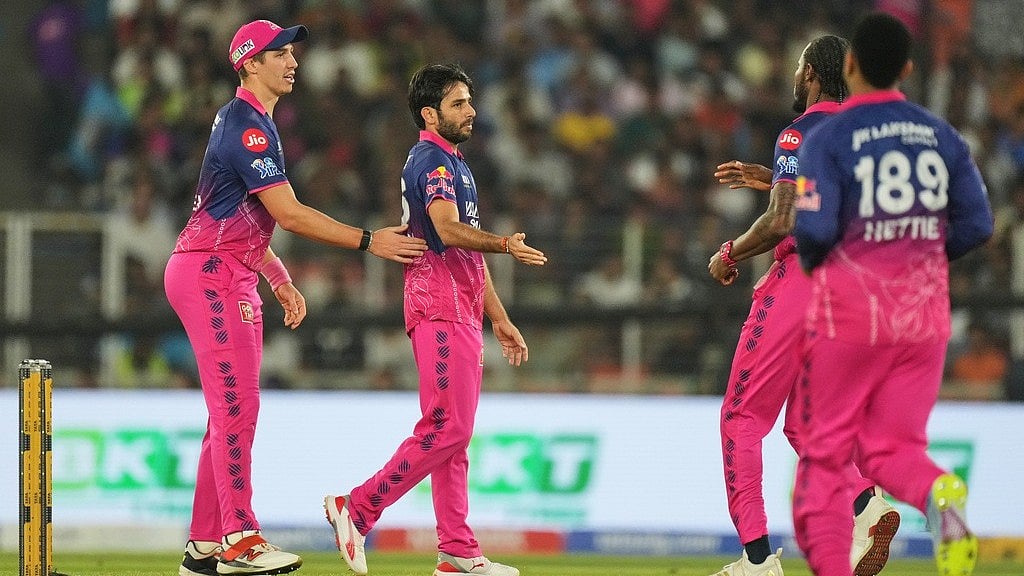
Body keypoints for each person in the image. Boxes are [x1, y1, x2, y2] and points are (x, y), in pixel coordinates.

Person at [164, 20, 427, 576]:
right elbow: (286, 213)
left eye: (292, 53)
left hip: (225, 268)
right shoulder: (248, 127)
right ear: (249, 62)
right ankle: (239, 539)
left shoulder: (253, 122)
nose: (293, 61)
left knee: (225, 415)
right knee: (237, 408)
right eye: (279, 53)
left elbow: (238, 216)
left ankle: (204, 545)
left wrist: (277, 275)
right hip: (212, 273)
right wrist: (366, 239)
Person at [324, 63, 547, 576]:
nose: (471, 111)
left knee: (454, 436)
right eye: (459, 103)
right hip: (439, 304)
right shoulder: (434, 162)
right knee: (446, 428)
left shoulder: (453, 162)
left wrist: (499, 316)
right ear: (430, 113)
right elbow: (447, 231)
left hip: (460, 306)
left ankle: (457, 552)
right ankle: (356, 509)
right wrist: (504, 244)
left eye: (470, 101)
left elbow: (466, 250)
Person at [792, 12, 993, 576]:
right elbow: (978, 224)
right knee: (891, 450)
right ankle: (939, 495)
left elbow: (812, 231)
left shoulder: (827, 138)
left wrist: (828, 265)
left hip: (853, 316)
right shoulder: (941, 136)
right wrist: (920, 260)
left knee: (824, 458)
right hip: (924, 316)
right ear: (907, 68)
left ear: (850, 64)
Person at [707, 35, 900, 576]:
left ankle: (756, 559)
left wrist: (729, 254)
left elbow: (782, 220)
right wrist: (776, 181)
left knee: (742, 418)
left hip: (803, 284)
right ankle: (867, 503)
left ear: (812, 72)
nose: (795, 76)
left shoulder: (799, 132)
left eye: (798, 67)